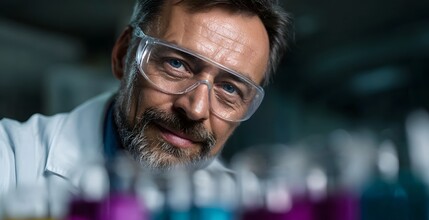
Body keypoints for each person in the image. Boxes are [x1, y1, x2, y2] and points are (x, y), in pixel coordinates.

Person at [0, 0, 292, 196]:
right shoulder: (13, 161)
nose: (196, 109)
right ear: (123, 55)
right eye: (176, 64)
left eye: (230, 89)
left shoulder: (242, 204)